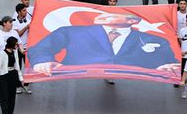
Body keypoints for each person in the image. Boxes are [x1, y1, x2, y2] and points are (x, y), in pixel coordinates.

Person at [28, 13, 178, 74]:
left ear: (132, 21)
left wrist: (168, 66)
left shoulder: (156, 41)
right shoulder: (71, 32)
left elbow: (171, 63)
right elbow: (40, 48)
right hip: (80, 81)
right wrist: (43, 62)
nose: (104, 16)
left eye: (111, 15)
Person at [12, 3, 32, 94]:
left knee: (28, 67)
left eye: (26, 10)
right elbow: (17, 35)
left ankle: (26, 85)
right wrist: (26, 27)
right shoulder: (14, 22)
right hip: (17, 48)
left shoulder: (28, 20)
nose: (26, 12)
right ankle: (18, 86)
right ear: (19, 12)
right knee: (18, 67)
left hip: (27, 48)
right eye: (24, 10)